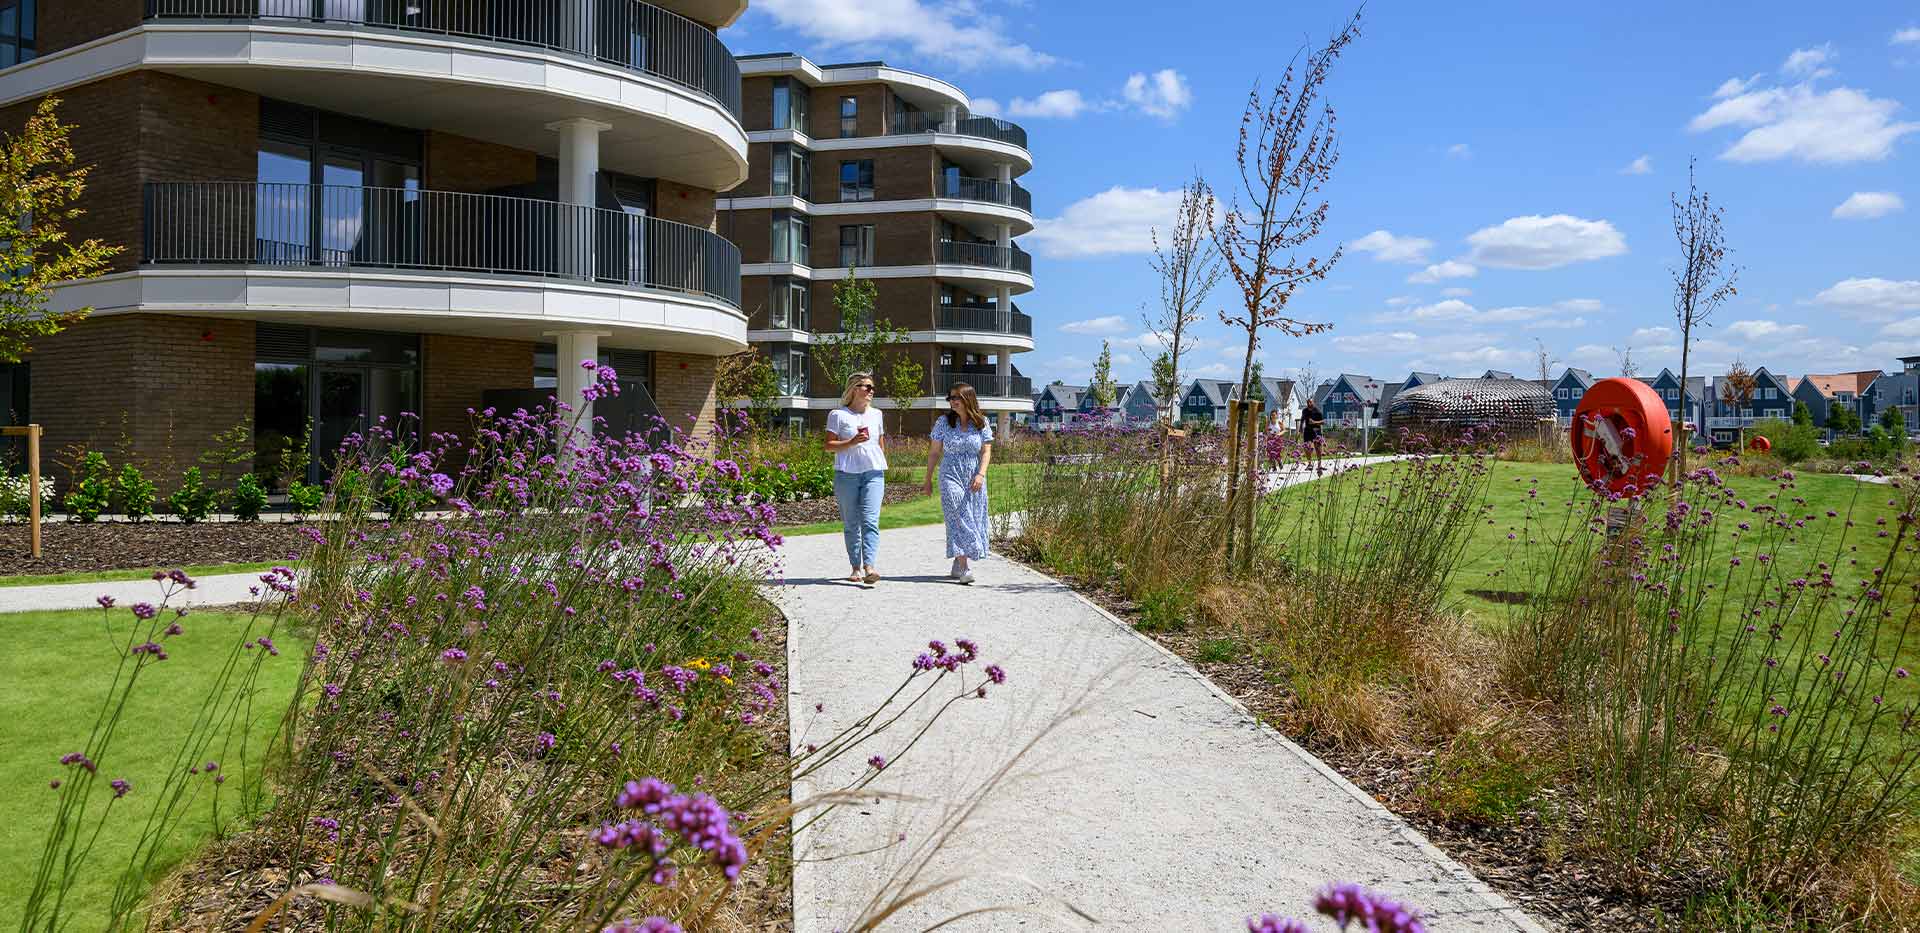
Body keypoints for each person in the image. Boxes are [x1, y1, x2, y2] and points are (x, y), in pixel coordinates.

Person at [925, 382, 993, 585]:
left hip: (973, 475)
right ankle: (965, 567)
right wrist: (927, 479)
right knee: (959, 515)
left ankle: (957, 560)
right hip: (950, 474)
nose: (952, 401)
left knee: (971, 515)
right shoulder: (943, 422)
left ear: (967, 399)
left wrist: (980, 474)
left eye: (956, 397)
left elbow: (986, 451)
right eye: (951, 398)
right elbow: (935, 452)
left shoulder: (981, 422)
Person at [825, 372, 887, 584]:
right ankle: (855, 568)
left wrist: (880, 463)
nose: (871, 391)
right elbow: (828, 445)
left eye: (872, 387)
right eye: (866, 387)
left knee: (870, 520)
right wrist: (851, 442)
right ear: (853, 389)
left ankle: (870, 567)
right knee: (852, 523)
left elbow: (880, 444)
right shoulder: (838, 415)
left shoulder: (877, 414)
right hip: (846, 474)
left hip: (873, 473)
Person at [1301, 397, 1326, 474]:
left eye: (1310, 402)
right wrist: (1300, 428)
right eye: (1308, 402)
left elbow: (1323, 422)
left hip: (1316, 431)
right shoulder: (1304, 411)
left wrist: (1314, 422)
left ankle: (1319, 464)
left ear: (1313, 402)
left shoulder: (1317, 411)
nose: (1309, 404)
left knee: (1318, 448)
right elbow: (1302, 419)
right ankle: (1310, 464)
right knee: (1307, 447)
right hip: (1307, 431)